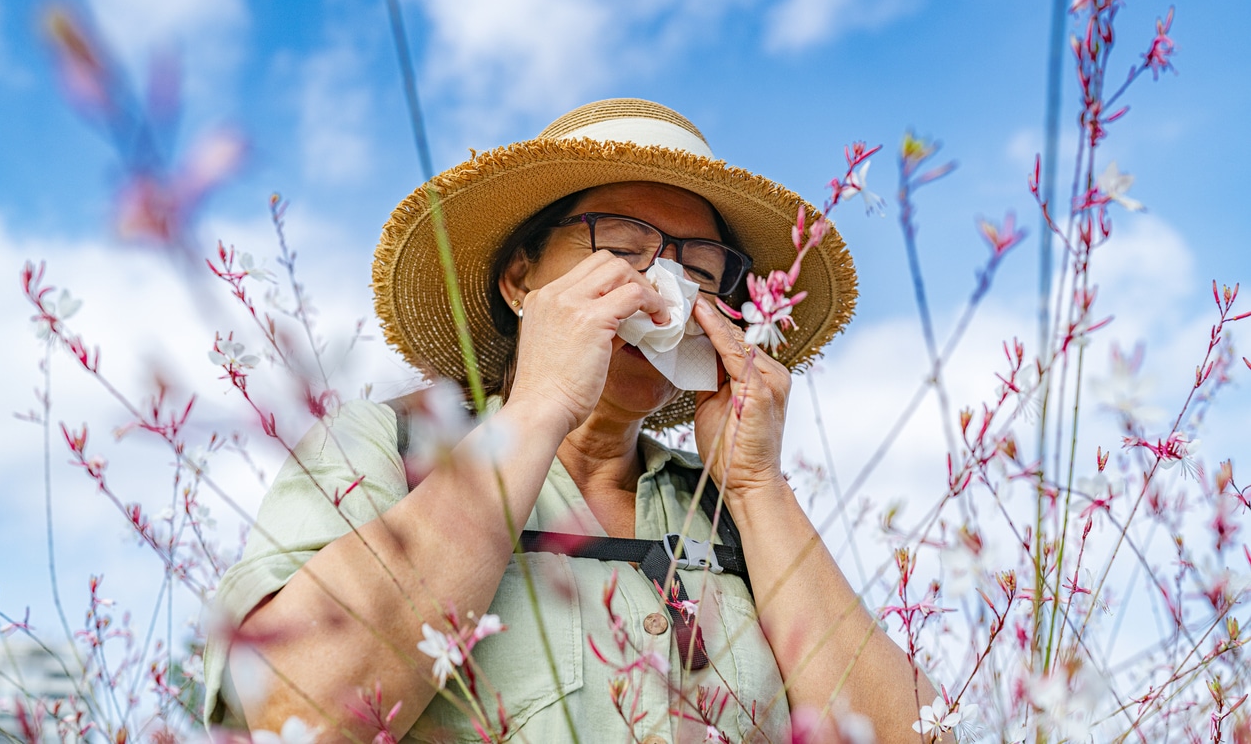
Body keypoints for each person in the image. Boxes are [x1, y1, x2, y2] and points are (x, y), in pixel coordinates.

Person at [203, 99, 939, 743]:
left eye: (700, 269)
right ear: (519, 279)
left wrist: (754, 486)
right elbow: (285, 713)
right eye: (621, 250)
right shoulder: (388, 449)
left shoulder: (730, 509)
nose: (662, 293)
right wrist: (538, 409)